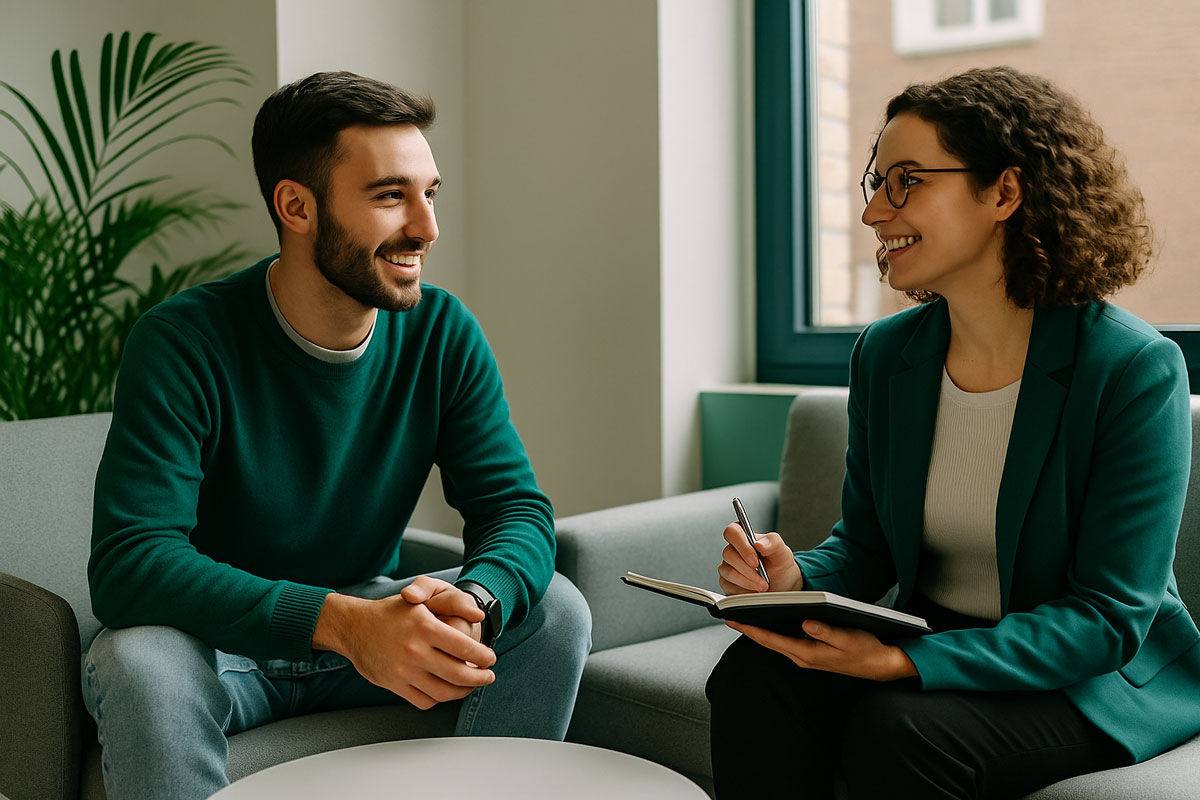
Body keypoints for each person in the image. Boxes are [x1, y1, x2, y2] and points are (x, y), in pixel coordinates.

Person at [83, 71, 592, 800]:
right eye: (390, 195)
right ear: (296, 205)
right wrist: (344, 624)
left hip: (372, 620)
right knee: (141, 666)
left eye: (429, 193)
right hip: (217, 647)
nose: (426, 227)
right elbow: (132, 562)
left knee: (553, 613)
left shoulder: (443, 333)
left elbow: (515, 508)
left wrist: (477, 598)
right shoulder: (182, 341)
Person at [706, 66, 1200, 799]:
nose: (876, 211)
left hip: (1092, 677)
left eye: (906, 180)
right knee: (752, 677)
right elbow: (867, 544)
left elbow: (1108, 618)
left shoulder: (1133, 370)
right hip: (938, 636)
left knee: (900, 732)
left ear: (1004, 192)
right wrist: (797, 578)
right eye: (877, 182)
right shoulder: (887, 356)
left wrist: (905, 664)